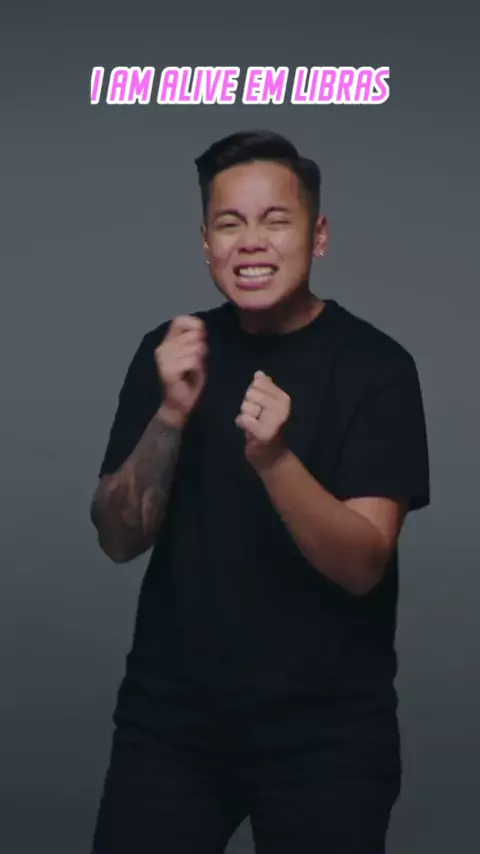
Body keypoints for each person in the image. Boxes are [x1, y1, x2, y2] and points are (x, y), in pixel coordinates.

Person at [89, 130, 430, 854]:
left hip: (328, 738)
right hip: (170, 729)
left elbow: (362, 564)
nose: (251, 242)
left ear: (318, 235)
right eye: (229, 223)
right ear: (205, 243)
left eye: (276, 220)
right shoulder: (171, 351)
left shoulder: (377, 368)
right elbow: (118, 538)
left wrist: (274, 459)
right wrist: (170, 413)